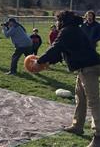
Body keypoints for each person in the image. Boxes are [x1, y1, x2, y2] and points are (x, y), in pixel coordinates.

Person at [33, 11, 100, 147]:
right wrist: (48, 62)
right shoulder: (72, 29)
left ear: (62, 21)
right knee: (80, 98)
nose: (56, 23)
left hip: (89, 68)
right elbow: (61, 53)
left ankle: (98, 136)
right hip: (83, 69)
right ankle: (77, 126)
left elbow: (55, 48)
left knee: (93, 102)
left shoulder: (67, 31)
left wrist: (39, 62)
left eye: (57, 20)